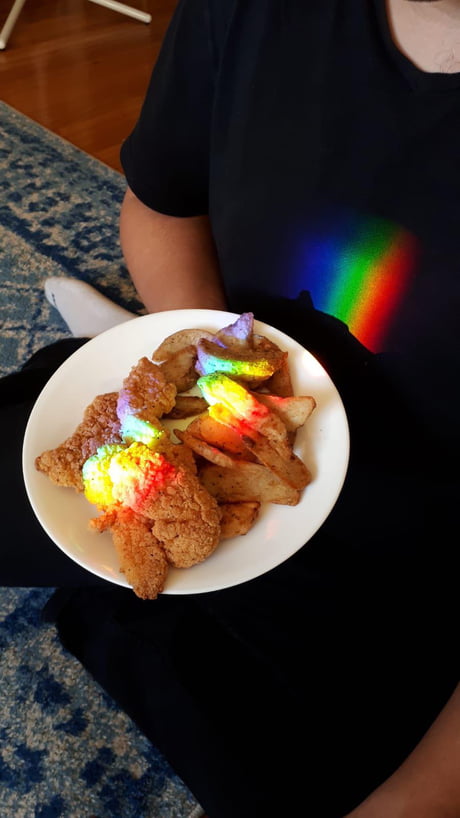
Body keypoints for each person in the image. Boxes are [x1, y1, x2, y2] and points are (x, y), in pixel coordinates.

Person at [2, 0, 459, 815]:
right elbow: (164, 205)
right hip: (210, 390)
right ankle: (140, 351)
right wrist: (197, 352)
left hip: (412, 545)